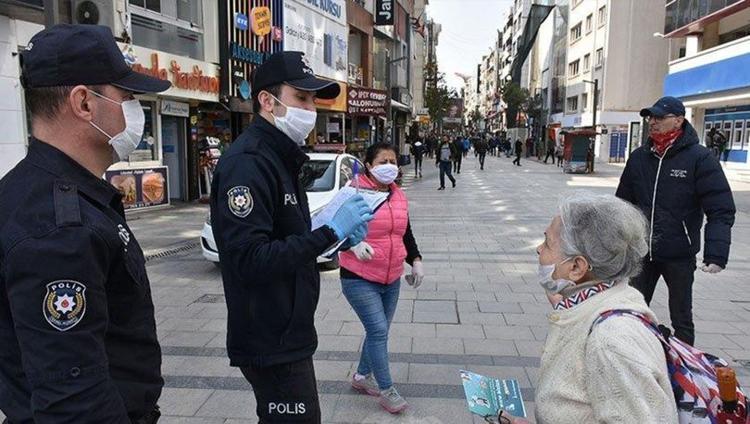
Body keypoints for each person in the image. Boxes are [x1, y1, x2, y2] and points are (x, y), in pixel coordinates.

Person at [0, 24, 170, 423]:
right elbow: (74, 399)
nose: (135, 110)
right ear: (84, 103)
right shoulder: (60, 230)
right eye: (126, 96)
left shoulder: (38, 193)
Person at [210, 51, 374, 423]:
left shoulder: (279, 156)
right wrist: (328, 231)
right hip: (270, 339)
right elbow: (249, 258)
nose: (310, 108)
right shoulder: (248, 162)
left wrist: (337, 235)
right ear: (267, 101)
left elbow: (287, 235)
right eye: (300, 98)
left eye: (313, 99)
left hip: (288, 332)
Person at [505, 193, 678, 423]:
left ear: (577, 267)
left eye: (547, 243)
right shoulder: (604, 298)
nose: (539, 249)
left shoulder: (610, 342)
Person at [616, 96, 736, 346]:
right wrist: (614, 245)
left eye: (660, 117)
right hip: (641, 252)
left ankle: (686, 368)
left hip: (679, 253)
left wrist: (716, 254)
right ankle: (633, 358)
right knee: (631, 312)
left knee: (681, 319)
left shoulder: (699, 158)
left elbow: (720, 208)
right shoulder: (639, 157)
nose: (653, 122)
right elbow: (621, 206)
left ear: (679, 120)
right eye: (651, 117)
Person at [339, 143, 424, 414]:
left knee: (379, 332)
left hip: (392, 277)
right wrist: (352, 245)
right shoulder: (353, 192)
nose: (390, 165)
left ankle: (362, 377)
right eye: (383, 160)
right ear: (368, 165)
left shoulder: (398, 195)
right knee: (377, 331)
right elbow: (332, 228)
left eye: (393, 160)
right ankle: (387, 390)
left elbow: (404, 232)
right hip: (358, 276)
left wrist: (416, 261)